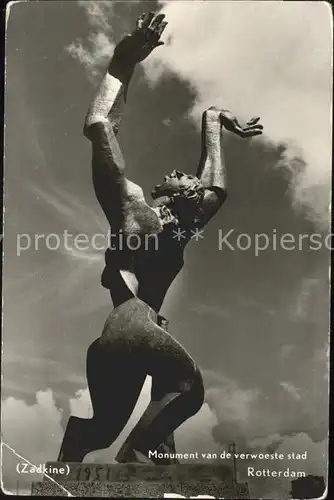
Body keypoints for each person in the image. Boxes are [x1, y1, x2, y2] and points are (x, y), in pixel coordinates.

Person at [58, 12, 263, 465]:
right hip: (130, 323)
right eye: (177, 176)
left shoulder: (179, 231)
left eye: (182, 177)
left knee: (102, 428)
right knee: (185, 386)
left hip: (129, 338)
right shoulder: (132, 210)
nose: (174, 172)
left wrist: (214, 120)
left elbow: (215, 189)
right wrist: (121, 65)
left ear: (186, 198)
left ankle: (76, 461)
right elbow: (100, 128)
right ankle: (139, 453)